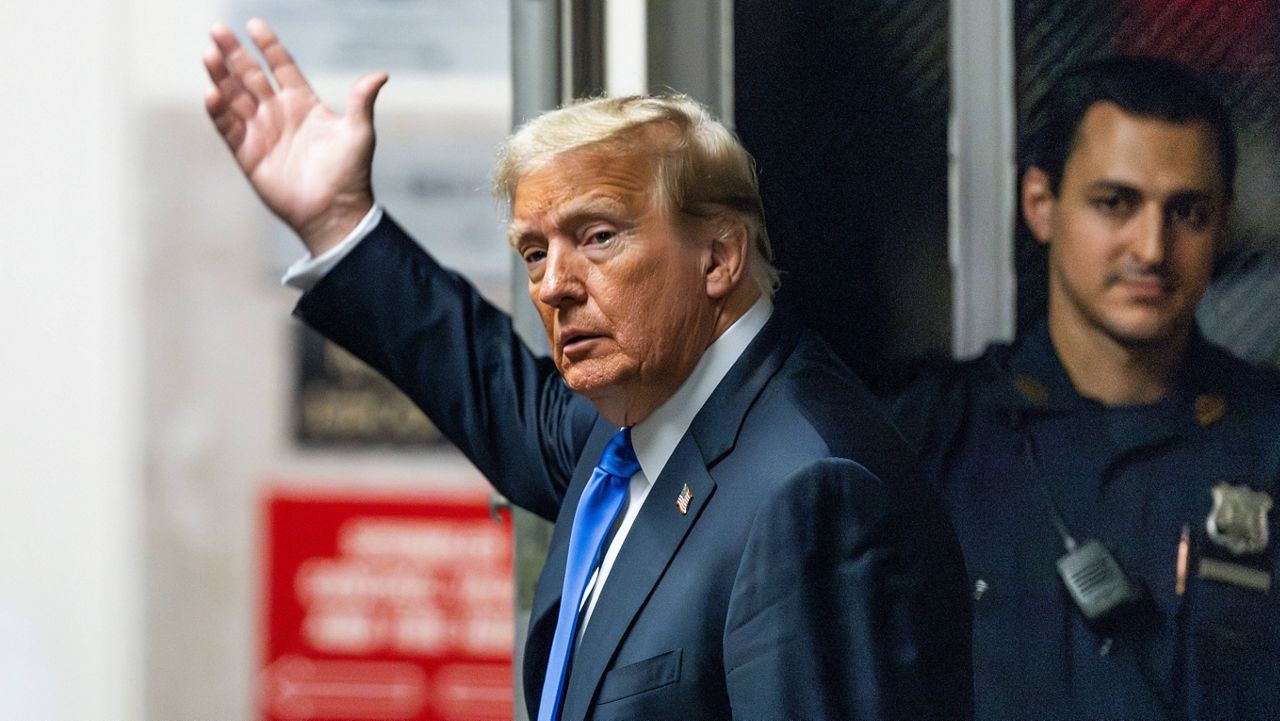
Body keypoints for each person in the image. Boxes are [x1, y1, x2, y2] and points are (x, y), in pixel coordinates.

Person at [203, 18, 972, 721]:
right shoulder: (646, 418)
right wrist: (338, 223)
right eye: (535, 251)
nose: (552, 284)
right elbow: (498, 394)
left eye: (598, 236)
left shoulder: (808, 489)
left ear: (720, 256)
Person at [891, 56, 1280, 720]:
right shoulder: (932, 439)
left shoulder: (1266, 442)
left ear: (1223, 223)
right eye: (1115, 203)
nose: (1152, 248)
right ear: (1042, 205)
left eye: (1187, 211)